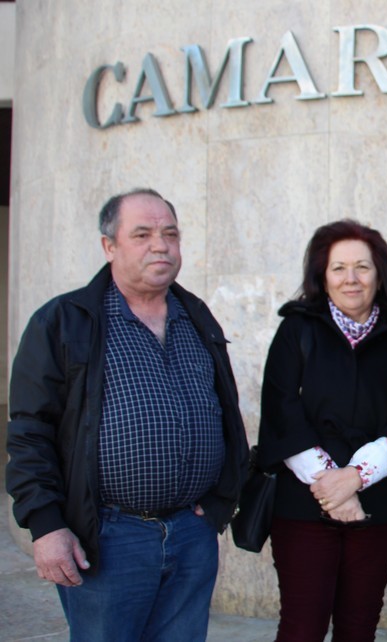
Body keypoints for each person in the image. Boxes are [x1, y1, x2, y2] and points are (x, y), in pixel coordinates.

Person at [5, 188, 249, 641]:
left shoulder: (195, 316)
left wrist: (219, 502)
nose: (161, 245)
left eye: (170, 233)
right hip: (108, 538)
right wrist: (46, 524)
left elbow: (226, 415)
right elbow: (30, 433)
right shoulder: (64, 321)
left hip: (191, 534)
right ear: (109, 246)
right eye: (142, 234)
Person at [257, 220, 387, 642]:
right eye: (338, 268)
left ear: (380, 274)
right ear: (322, 274)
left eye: (362, 267)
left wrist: (356, 477)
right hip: (303, 505)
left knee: (359, 626)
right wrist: (332, 490)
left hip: (379, 502)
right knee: (302, 626)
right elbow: (281, 408)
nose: (351, 279)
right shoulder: (297, 328)